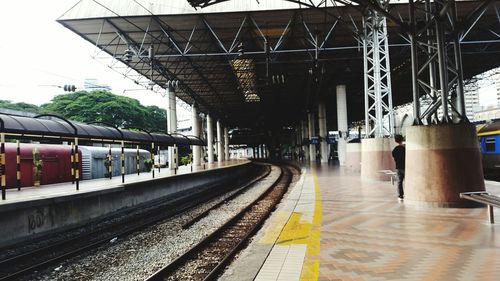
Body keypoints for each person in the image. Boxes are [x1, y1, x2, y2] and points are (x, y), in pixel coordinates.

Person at [392, 134, 405, 200]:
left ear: (395, 141)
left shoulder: (395, 150)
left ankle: (400, 196)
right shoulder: (404, 148)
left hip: (398, 168)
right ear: (402, 139)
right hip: (405, 167)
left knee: (399, 182)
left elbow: (394, 157)